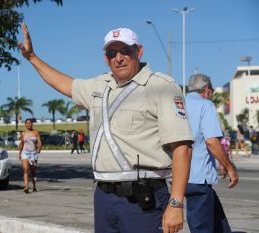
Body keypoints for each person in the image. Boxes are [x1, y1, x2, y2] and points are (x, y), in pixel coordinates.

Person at [18, 24, 194, 233]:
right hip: (104, 196)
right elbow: (65, 84)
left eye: (125, 51)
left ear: (139, 51)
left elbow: (182, 147)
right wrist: (32, 58)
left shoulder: (162, 86)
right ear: (106, 58)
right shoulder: (99, 86)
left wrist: (176, 204)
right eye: (112, 53)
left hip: (143, 200)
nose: (118, 58)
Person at [185, 73, 239, 233]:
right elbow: (211, 141)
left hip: (182, 175)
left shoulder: (179, 104)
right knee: (202, 228)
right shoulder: (205, 105)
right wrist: (229, 167)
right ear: (207, 89)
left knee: (219, 225)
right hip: (198, 179)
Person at [18, 118, 42, 193]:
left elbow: (39, 142)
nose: (29, 124)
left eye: (30, 123)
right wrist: (19, 153)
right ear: (25, 124)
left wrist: (38, 149)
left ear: (32, 124)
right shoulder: (23, 133)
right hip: (25, 153)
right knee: (25, 169)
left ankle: (34, 186)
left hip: (33, 153)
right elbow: (21, 144)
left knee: (33, 171)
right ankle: (26, 187)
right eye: (27, 123)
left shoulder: (36, 132)